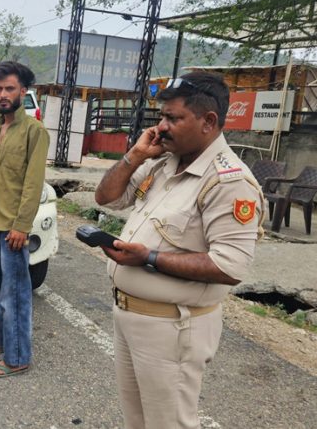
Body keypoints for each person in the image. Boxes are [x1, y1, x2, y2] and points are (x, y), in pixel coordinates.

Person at [94, 71, 264, 428]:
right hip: (130, 316)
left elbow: (229, 266)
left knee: (169, 423)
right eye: (162, 117)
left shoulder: (229, 181)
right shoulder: (162, 162)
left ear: (209, 121)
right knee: (137, 420)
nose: (162, 126)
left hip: (173, 326)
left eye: (173, 117)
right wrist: (135, 155)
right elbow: (106, 196)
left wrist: (149, 258)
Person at [0, 62, 49, 378]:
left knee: (13, 293)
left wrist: (22, 226)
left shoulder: (34, 132)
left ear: (23, 92)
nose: (2, 94)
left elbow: (33, 182)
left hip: (12, 228)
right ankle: (0, 339)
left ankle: (17, 357)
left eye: (9, 89)